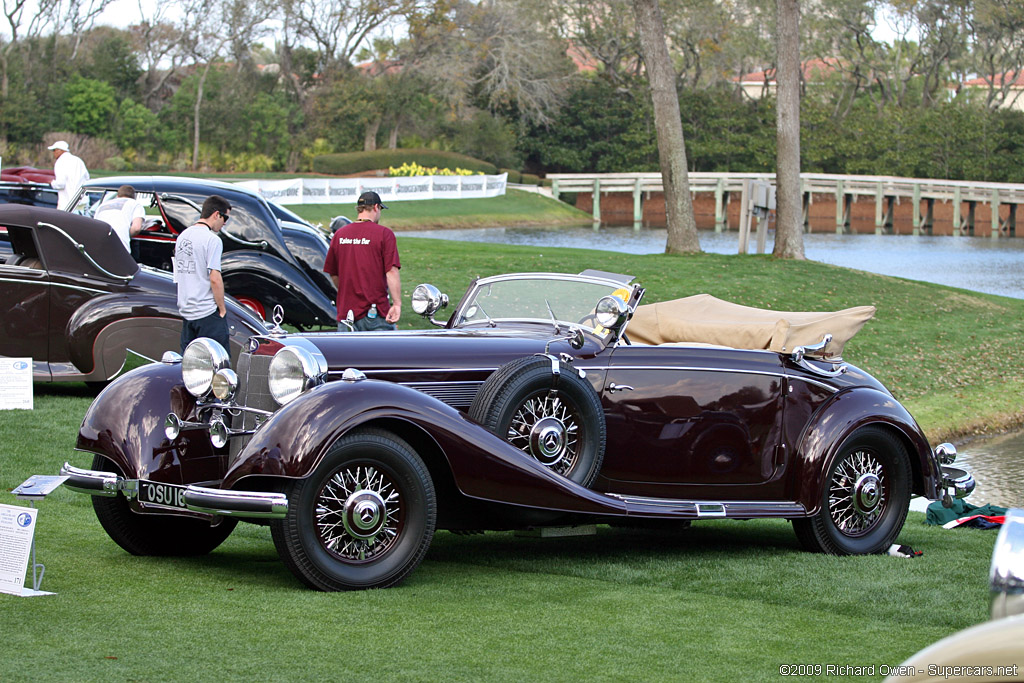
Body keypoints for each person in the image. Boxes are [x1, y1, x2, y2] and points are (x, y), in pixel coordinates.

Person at [323, 190, 401, 331]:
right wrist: (397, 304)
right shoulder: (384, 234)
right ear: (376, 207)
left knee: (346, 354)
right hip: (376, 314)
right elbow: (391, 271)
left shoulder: (340, 234)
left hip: (346, 313)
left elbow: (333, 273)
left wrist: (348, 292)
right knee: (386, 353)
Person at [173, 195, 231, 352]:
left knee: (189, 366)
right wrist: (222, 309)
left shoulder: (182, 236)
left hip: (187, 313)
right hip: (207, 312)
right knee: (218, 363)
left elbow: (179, 275)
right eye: (225, 217)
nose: (225, 223)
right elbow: (215, 279)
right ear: (216, 214)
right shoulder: (212, 240)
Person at [93, 185, 145, 253]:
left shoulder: (102, 205)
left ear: (117, 195)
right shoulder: (135, 204)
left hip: (99, 244)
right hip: (120, 246)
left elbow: (95, 226)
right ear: (134, 196)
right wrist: (125, 233)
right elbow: (136, 228)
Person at [47, 140, 90, 211]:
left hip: (67, 203)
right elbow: (87, 178)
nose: (53, 153)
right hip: (82, 201)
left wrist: (52, 183)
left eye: (54, 150)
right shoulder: (78, 160)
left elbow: (60, 184)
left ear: (59, 150)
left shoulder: (60, 162)